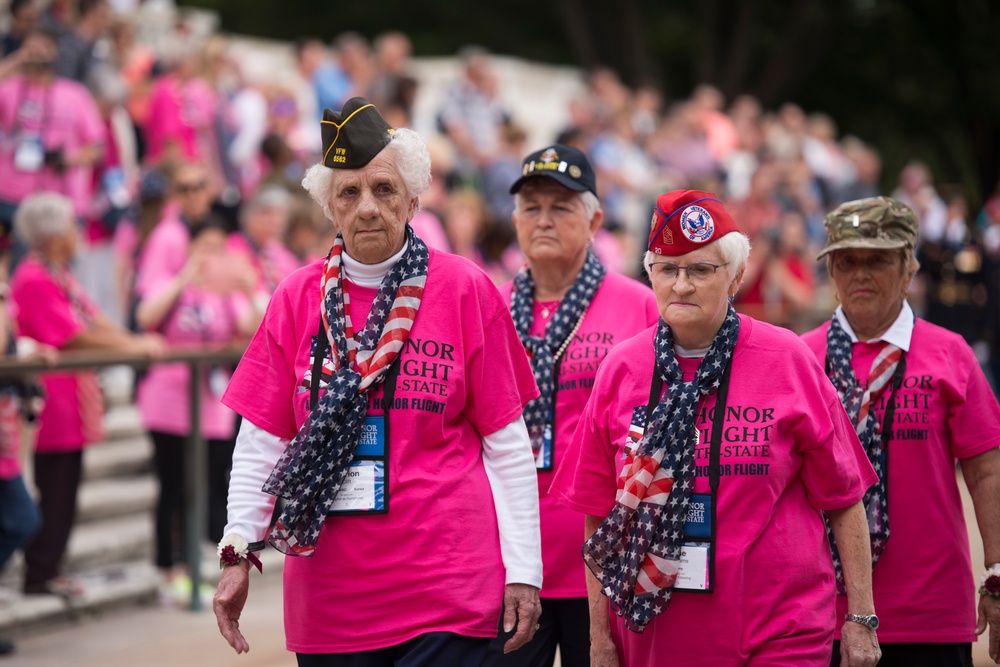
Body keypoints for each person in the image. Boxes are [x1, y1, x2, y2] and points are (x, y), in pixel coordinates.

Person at [212, 97, 543, 664]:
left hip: (450, 592)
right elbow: (261, 440)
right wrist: (237, 551)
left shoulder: (465, 289)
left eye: (384, 190)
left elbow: (508, 444)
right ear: (328, 208)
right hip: (331, 603)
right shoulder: (295, 298)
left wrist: (524, 571)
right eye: (349, 192)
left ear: (414, 200)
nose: (367, 207)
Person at [549, 189, 882, 666]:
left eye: (701, 270)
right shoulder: (621, 368)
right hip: (657, 636)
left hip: (780, 628)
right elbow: (597, 513)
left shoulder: (787, 359)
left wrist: (861, 617)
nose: (681, 285)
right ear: (650, 275)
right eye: (667, 268)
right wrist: (599, 639)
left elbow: (844, 498)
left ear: (736, 277)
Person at [800, 196, 1000, 667]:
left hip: (930, 613)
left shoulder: (950, 354)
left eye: (878, 260)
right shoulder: (801, 360)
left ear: (909, 268)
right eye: (847, 261)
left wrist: (996, 575)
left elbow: (988, 474)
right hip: (824, 614)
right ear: (831, 273)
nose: (860, 273)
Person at [485, 144, 659, 667]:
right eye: (531, 207)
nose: (543, 219)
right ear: (514, 219)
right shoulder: (488, 308)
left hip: (604, 555)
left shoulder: (640, 305)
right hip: (510, 559)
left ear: (595, 220)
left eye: (561, 206)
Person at [9, 191, 163, 598]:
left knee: (65, 486)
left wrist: (131, 341)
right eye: (72, 226)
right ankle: (40, 571)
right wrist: (133, 347)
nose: (78, 233)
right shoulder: (34, 277)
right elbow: (75, 335)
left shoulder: (58, 272)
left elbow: (94, 319)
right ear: (55, 234)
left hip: (71, 396)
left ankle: (48, 567)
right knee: (55, 487)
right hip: (51, 399)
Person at [133, 216, 259, 604]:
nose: (213, 257)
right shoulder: (172, 282)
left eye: (219, 249)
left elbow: (257, 325)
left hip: (211, 405)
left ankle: (190, 568)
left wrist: (249, 288)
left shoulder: (226, 293)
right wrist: (185, 276)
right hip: (168, 402)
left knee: (202, 487)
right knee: (172, 487)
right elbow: (146, 315)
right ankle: (167, 571)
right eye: (205, 247)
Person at [0, 28, 104, 245]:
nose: (36, 54)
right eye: (31, 48)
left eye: (43, 49)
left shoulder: (75, 94)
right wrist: (16, 61)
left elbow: (97, 147)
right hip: (10, 194)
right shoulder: (9, 89)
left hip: (59, 198)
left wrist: (66, 160)